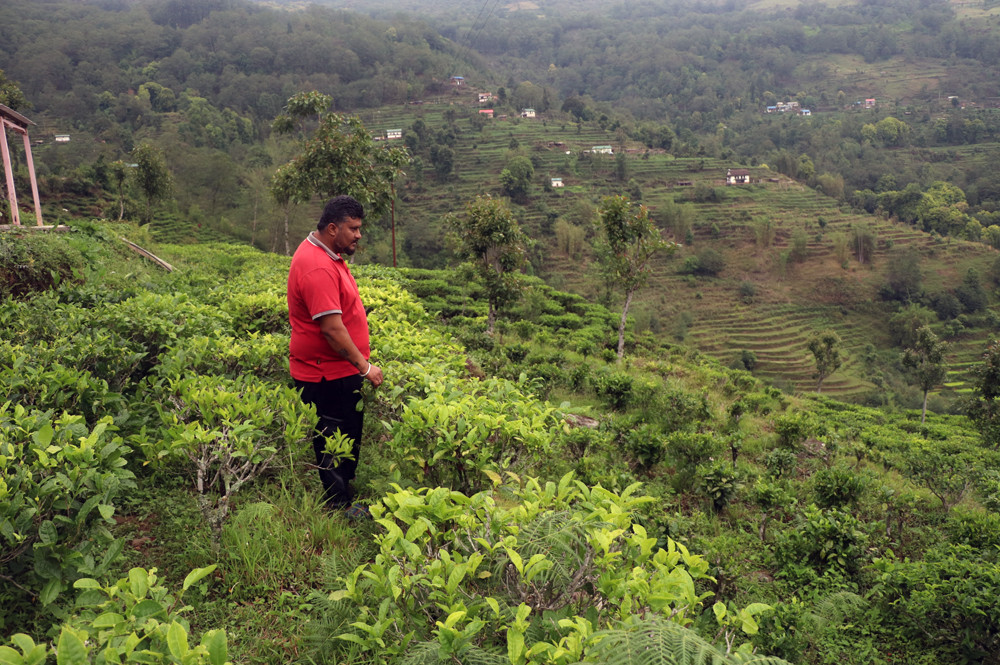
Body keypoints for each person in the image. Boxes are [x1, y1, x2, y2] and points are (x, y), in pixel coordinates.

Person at [287, 195, 383, 517]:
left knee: (347, 433)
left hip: (336, 369)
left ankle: (345, 493)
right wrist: (365, 367)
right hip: (325, 373)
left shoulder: (327, 255)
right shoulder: (317, 267)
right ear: (332, 228)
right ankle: (338, 508)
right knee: (332, 438)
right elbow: (331, 329)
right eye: (353, 229)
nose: (358, 235)